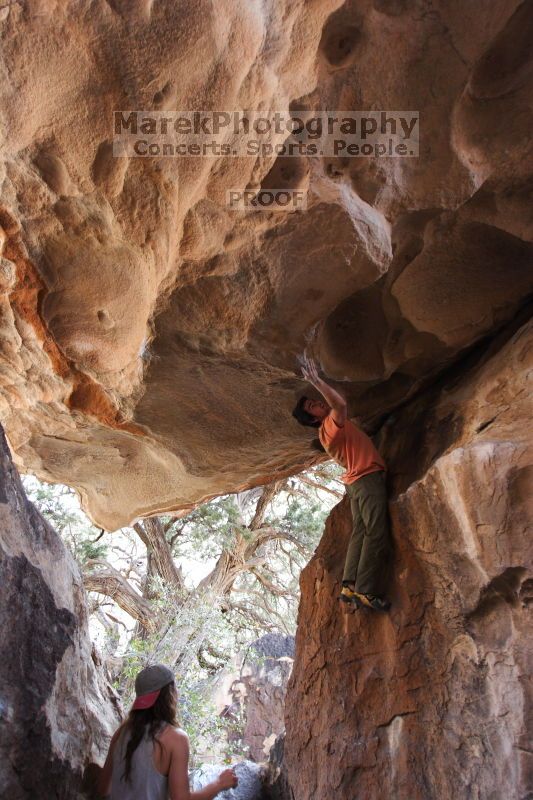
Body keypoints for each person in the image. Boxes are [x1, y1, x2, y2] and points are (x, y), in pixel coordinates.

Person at [292, 354, 391, 612]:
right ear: (313, 419)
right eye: (313, 406)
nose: (317, 403)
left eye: (314, 402)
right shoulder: (328, 428)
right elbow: (341, 405)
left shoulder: (327, 430)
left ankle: (349, 585)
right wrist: (316, 381)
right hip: (366, 479)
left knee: (361, 530)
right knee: (376, 531)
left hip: (357, 483)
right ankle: (366, 591)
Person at [95, 664, 238, 799]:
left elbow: (102, 789)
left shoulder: (122, 732)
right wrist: (219, 784)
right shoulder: (176, 739)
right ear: (169, 694)